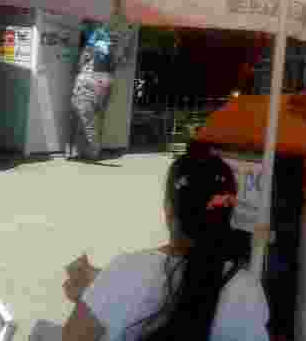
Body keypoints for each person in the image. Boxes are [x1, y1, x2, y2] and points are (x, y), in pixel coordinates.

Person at [52, 143, 269, 341]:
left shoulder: (125, 270)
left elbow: (72, 337)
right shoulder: (247, 290)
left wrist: (96, 294)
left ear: (168, 209)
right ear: (226, 215)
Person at [69, 22, 116, 161]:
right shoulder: (107, 53)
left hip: (89, 89)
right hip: (99, 90)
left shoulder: (93, 51)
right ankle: (88, 151)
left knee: (84, 121)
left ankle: (89, 152)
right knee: (91, 121)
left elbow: (80, 65)